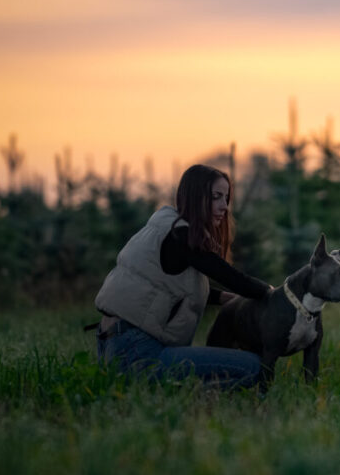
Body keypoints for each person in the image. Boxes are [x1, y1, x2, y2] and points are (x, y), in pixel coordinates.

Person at [94, 164, 271, 389]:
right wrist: (272, 293)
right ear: (196, 196)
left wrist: (223, 298)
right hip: (138, 352)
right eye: (216, 197)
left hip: (116, 345)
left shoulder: (166, 226)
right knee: (254, 367)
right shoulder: (182, 235)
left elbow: (167, 288)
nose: (224, 207)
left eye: (226, 199)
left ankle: (176, 390)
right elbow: (230, 276)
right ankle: (190, 395)